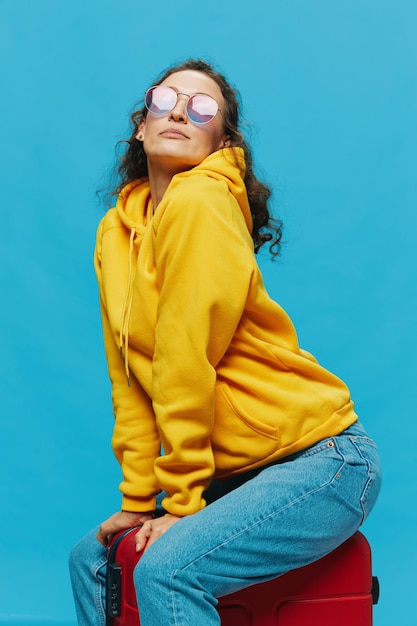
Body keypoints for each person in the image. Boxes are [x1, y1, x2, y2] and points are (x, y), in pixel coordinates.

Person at [69, 58, 381, 626]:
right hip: (242, 473)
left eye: (203, 107)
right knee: (94, 560)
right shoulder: (115, 233)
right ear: (141, 126)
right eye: (165, 100)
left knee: (166, 570)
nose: (182, 111)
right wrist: (139, 503)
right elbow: (133, 379)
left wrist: (182, 506)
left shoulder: (202, 201)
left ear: (220, 141)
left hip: (323, 463)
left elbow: (186, 362)